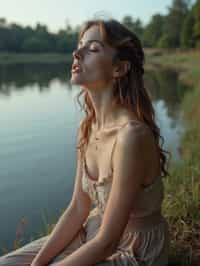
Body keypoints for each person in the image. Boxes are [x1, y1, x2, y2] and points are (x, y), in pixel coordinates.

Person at [0, 18, 170, 266]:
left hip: (134, 250)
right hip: (93, 232)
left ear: (119, 69)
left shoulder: (131, 136)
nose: (76, 53)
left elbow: (107, 243)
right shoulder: (87, 128)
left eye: (92, 49)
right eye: (79, 45)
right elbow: (79, 207)